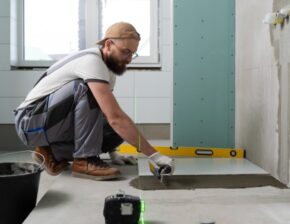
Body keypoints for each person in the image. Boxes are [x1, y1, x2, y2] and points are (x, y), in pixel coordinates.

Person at [14, 22, 174, 181]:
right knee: (87, 91)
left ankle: (51, 152)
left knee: (115, 133)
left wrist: (113, 152)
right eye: (126, 52)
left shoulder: (108, 70)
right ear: (109, 44)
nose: (129, 59)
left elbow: (103, 113)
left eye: (133, 53)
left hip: (52, 123)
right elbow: (115, 117)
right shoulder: (92, 61)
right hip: (30, 122)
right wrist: (155, 156)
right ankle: (84, 160)